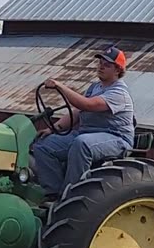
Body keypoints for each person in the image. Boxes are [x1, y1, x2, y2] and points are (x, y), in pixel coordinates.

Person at [32, 45, 135, 199]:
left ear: (118, 70)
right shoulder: (95, 87)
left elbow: (86, 105)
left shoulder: (119, 93)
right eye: (100, 63)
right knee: (43, 145)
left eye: (107, 65)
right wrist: (54, 129)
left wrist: (60, 86)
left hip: (115, 138)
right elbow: (78, 112)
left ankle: (71, 196)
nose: (101, 67)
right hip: (87, 133)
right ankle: (52, 194)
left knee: (82, 144)